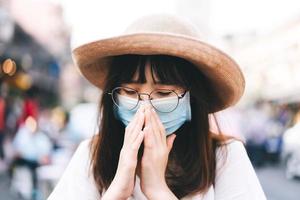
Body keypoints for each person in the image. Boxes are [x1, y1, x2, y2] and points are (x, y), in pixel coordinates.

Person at [48, 14, 266, 199]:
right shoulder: (91, 155)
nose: (145, 108)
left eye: (163, 93)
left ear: (192, 97)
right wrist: (116, 191)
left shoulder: (224, 157)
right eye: (131, 92)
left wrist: (158, 190)